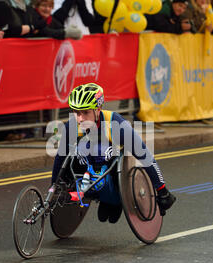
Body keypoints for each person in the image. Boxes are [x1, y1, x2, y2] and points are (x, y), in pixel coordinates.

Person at [51, 83, 176, 223]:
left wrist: (162, 190)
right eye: (76, 112)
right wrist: (54, 186)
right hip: (88, 169)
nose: (80, 119)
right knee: (71, 155)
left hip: (112, 171)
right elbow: (60, 158)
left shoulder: (117, 124)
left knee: (108, 213)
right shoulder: (72, 126)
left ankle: (113, 200)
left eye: (85, 112)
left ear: (98, 109)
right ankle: (96, 193)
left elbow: (145, 156)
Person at [0, 0, 82, 39]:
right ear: (37, 6)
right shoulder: (1, 4)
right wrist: (32, 27)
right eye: (44, 6)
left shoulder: (27, 6)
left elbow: (42, 30)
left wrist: (64, 33)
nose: (47, 9)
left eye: (50, 6)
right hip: (8, 54)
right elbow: (12, 30)